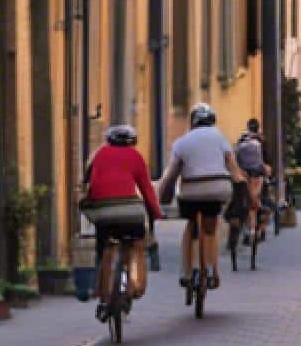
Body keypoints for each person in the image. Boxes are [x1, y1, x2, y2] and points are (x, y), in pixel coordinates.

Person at [156, 104, 246, 290]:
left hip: (191, 191)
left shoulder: (182, 142)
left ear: (192, 122)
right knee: (210, 228)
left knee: (191, 225)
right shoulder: (221, 139)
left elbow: (172, 173)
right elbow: (233, 168)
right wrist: (240, 188)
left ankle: (186, 272)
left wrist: (162, 193)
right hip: (218, 188)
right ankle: (212, 270)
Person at [83, 124, 162, 319]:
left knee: (104, 249)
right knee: (136, 244)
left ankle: (103, 296)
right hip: (131, 211)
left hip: (104, 212)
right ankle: (134, 283)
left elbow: (90, 186)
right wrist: (156, 213)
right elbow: (147, 191)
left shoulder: (99, 155)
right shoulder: (136, 157)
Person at [235, 119, 273, 245]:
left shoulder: (241, 139)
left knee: (247, 202)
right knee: (259, 201)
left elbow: (236, 159)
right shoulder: (262, 140)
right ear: (258, 127)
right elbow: (268, 160)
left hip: (244, 175)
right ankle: (258, 230)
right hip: (258, 175)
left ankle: (247, 231)